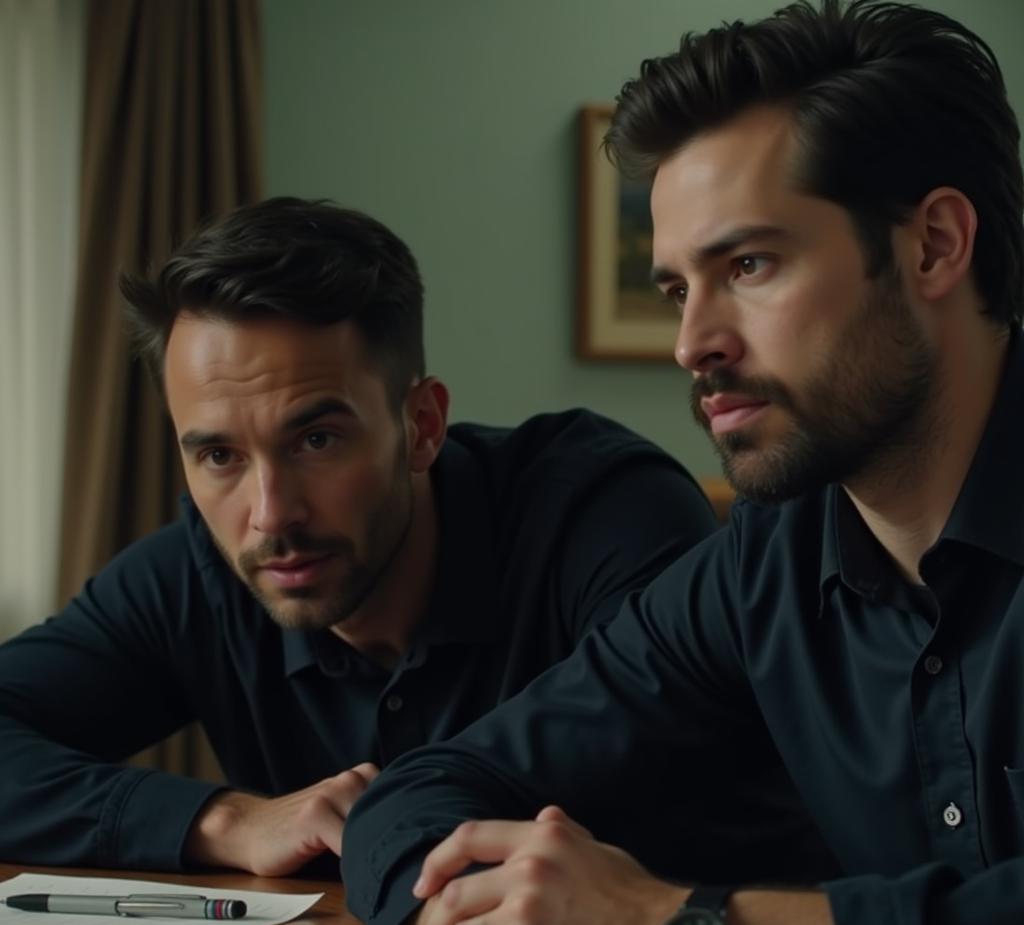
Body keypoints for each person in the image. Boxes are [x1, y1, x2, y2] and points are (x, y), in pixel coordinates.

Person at [340, 1, 1024, 925]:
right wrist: (493, 912)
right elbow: (426, 788)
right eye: (674, 289)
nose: (690, 342)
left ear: (931, 245)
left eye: (748, 265)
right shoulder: (762, 564)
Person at [0, 197, 728, 877]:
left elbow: (694, 802)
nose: (270, 514)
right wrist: (222, 821)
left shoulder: (604, 516)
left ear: (422, 426)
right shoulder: (194, 574)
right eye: (219, 456)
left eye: (315, 439)